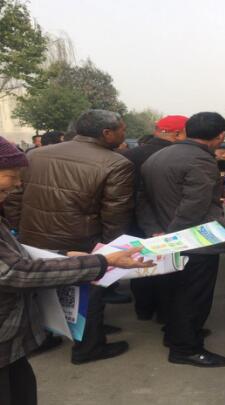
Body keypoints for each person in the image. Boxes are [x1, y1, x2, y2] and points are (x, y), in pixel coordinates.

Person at [0, 135, 154, 405]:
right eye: (10, 177)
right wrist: (103, 261)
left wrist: (63, 255)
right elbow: (15, 272)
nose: (17, 185)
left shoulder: (40, 157)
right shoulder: (114, 163)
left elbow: (11, 254)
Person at [4, 109, 135, 365]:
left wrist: (19, 229)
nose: (124, 133)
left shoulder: (36, 154)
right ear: (106, 133)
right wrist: (110, 250)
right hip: (81, 238)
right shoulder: (117, 163)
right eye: (122, 129)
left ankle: (44, 338)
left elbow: (14, 197)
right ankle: (89, 347)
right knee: (89, 293)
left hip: (33, 234)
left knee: (42, 291)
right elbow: (115, 213)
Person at [138, 112, 225, 367]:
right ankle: (186, 348)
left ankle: (178, 334)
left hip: (164, 235)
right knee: (193, 296)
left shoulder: (157, 156)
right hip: (194, 241)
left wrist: (156, 231)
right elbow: (194, 205)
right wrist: (173, 237)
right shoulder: (201, 160)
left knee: (175, 293)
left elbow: (142, 199)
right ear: (221, 136)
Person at [122, 115, 188, 322]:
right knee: (168, 270)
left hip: (134, 220)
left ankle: (143, 309)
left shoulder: (128, 155)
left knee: (139, 264)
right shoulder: (179, 156)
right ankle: (166, 315)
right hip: (169, 221)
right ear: (177, 134)